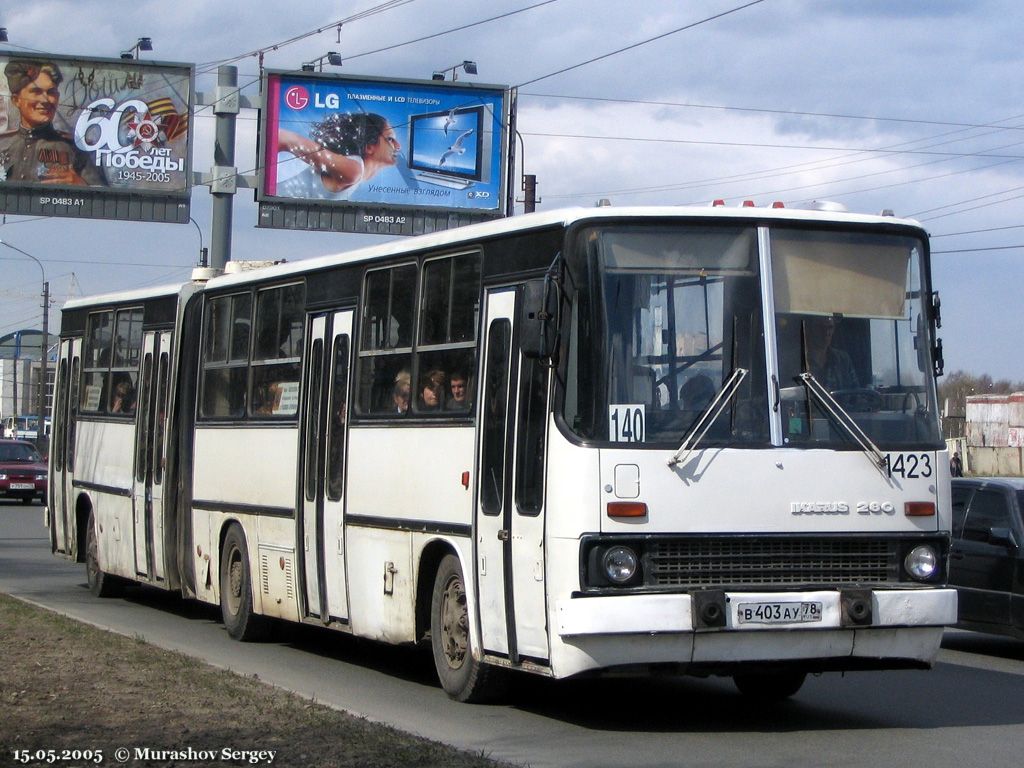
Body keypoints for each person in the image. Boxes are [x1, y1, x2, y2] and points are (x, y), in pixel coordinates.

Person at [0, 60, 105, 186]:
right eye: (36, 91)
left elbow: (105, 200)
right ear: (16, 100)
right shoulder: (3, 143)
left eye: (51, 92)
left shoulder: (77, 148)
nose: (45, 100)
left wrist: (81, 185)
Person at [276, 112, 400, 200]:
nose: (398, 146)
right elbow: (285, 138)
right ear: (369, 147)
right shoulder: (354, 170)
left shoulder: (356, 173)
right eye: (390, 139)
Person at [804, 316, 859, 390]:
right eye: (820, 327)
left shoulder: (843, 360)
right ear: (809, 329)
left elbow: (856, 392)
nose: (826, 333)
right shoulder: (798, 361)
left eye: (830, 327)